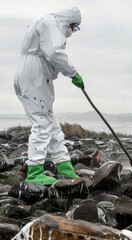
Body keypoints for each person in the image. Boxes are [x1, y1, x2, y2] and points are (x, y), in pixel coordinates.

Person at [14, 6, 84, 185]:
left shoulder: (47, 23)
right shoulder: (52, 23)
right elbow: (54, 52)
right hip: (34, 76)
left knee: (51, 124)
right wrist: (72, 73)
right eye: (75, 28)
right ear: (70, 23)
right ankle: (35, 172)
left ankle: (64, 168)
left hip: (30, 75)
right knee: (42, 123)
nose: (73, 32)